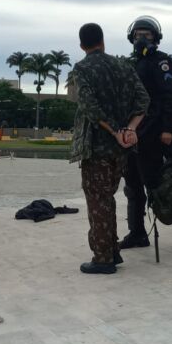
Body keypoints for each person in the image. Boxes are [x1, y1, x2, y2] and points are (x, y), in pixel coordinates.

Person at [71, 22, 150, 275]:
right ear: (102, 41)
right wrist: (130, 129)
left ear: (82, 45)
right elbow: (143, 99)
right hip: (121, 150)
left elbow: (90, 107)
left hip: (97, 147)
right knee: (108, 198)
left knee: (98, 200)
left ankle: (103, 258)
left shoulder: (82, 69)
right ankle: (112, 250)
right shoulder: (123, 66)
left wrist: (115, 131)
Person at [117, 15, 172, 250]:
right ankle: (137, 233)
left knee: (157, 185)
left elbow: (169, 97)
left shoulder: (161, 61)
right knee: (132, 185)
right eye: (137, 35)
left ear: (155, 38)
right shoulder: (134, 64)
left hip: (154, 131)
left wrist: (167, 128)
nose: (141, 39)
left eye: (146, 35)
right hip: (133, 132)